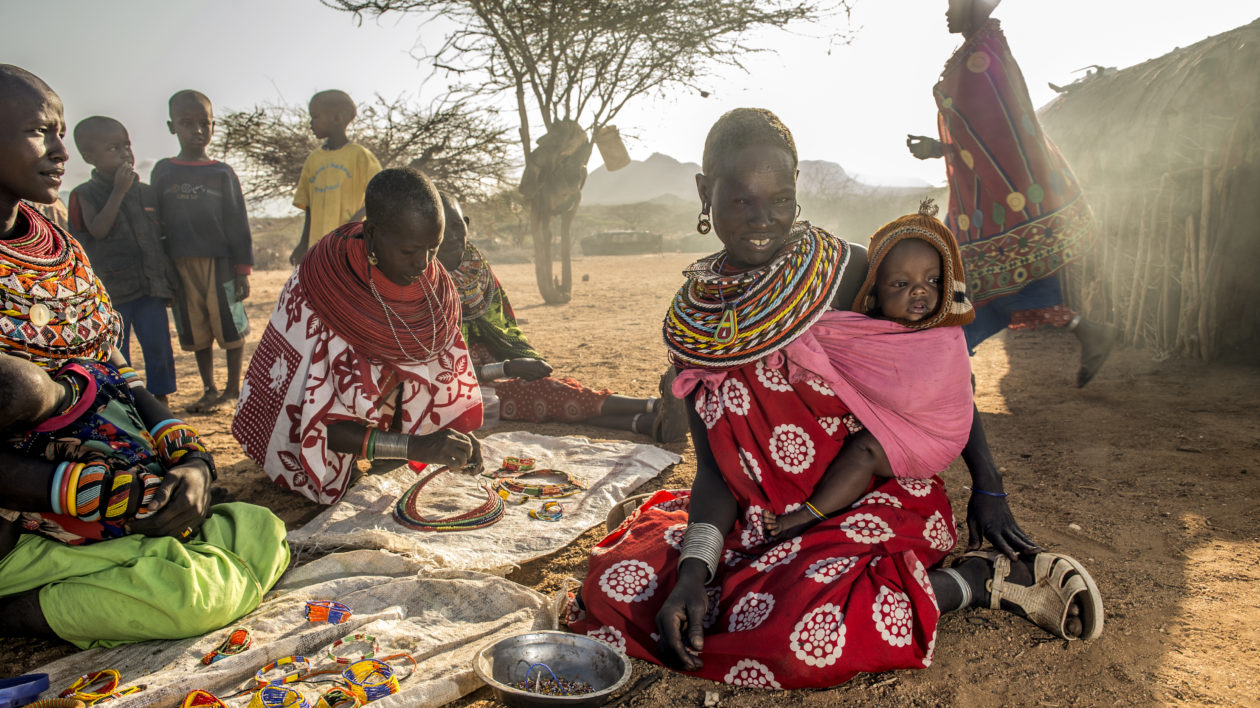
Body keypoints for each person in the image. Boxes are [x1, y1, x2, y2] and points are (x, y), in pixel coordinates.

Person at [568, 108, 1103, 690]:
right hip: (763, 520)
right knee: (619, 588)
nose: (763, 219)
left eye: (780, 198)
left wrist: (989, 487)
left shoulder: (850, 274)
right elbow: (716, 476)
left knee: (799, 636)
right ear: (704, 192)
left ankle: (981, 581)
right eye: (741, 200)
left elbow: (941, 377)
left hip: (868, 500)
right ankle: (746, 579)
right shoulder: (697, 325)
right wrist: (694, 574)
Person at [0, 65, 288, 649]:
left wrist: (188, 463)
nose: (61, 150)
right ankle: (17, 608)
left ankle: (136, 559)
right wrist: (118, 497)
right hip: (26, 520)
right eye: (39, 132)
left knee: (261, 531)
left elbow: (115, 373)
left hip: (111, 491)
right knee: (186, 597)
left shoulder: (55, 245)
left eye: (60, 131)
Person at [233, 168, 484, 505]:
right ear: (371, 233)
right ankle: (370, 453)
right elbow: (315, 418)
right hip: (307, 429)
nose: (423, 264)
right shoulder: (323, 289)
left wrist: (454, 435)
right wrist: (415, 446)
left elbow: (439, 382)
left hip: (378, 425)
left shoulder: (433, 294)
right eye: (410, 251)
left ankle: (385, 449)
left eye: (432, 248)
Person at [906, 0, 1116, 387]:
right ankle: (955, 365)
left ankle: (950, 372)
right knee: (983, 285)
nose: (947, 12)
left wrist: (939, 149)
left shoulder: (983, 60)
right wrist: (941, 148)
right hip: (988, 196)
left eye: (954, 4)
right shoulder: (980, 53)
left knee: (976, 283)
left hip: (1000, 197)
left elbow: (996, 134)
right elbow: (986, 131)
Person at [762, 199, 974, 541]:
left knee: (864, 449)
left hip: (936, 439)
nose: (920, 290)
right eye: (900, 285)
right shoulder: (863, 331)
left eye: (933, 280)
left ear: (950, 282)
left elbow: (928, 391)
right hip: (900, 425)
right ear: (875, 294)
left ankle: (806, 515)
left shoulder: (946, 336)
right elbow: (821, 333)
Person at [436, 192, 688, 443]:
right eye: (443, 231)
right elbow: (435, 370)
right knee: (546, 392)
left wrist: (517, 361)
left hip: (491, 370)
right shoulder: (420, 279)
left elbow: (502, 330)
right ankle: (652, 407)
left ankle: (649, 423)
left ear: (467, 223)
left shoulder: (473, 265)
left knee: (552, 392)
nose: (453, 238)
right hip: (453, 388)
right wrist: (508, 367)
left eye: (458, 227)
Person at [150, 90, 253, 413]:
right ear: (171, 127)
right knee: (197, 330)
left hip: (220, 262)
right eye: (186, 123)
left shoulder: (221, 172)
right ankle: (209, 389)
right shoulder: (163, 171)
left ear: (213, 126)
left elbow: (238, 221)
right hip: (179, 264)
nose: (197, 130)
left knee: (230, 325)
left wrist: (242, 270)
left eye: (203, 123)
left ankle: (232, 391)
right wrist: (162, 272)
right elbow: (156, 226)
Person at [68, 115, 179, 404]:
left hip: (150, 286)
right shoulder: (84, 195)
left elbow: (159, 241)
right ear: (89, 156)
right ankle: (123, 403)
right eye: (113, 148)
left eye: (126, 145)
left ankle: (162, 400)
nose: (125, 153)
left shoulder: (144, 192)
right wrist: (117, 192)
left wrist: (167, 283)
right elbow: (98, 229)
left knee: (158, 347)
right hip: (111, 292)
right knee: (118, 352)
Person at [289, 90, 381, 266]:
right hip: (318, 249)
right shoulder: (313, 160)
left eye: (315, 117)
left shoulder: (360, 156)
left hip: (351, 246)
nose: (310, 123)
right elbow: (309, 209)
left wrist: (356, 220)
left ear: (338, 118)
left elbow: (379, 196)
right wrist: (302, 244)